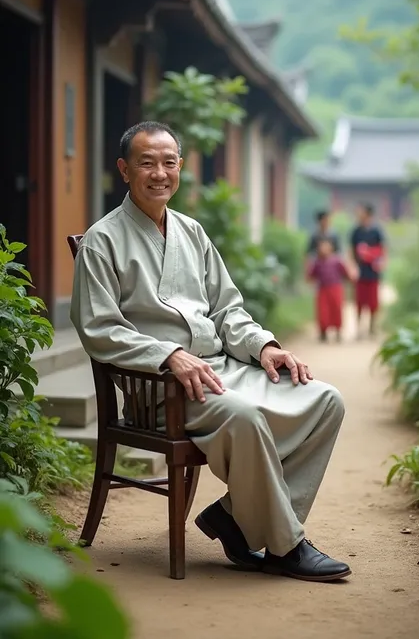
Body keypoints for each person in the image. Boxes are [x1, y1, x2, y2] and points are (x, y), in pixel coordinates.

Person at [70, 121, 351, 583]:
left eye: (168, 162)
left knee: (325, 401)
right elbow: (98, 329)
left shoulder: (192, 232)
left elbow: (228, 311)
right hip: (164, 387)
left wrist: (264, 346)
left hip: (222, 368)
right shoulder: (102, 240)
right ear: (124, 170)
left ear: (180, 167)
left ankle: (233, 519)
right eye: (146, 163)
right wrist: (167, 356)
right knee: (244, 417)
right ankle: (286, 546)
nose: (159, 173)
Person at [349, 204, 385, 337]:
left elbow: (383, 249)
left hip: (373, 272)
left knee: (373, 302)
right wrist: (352, 266)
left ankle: (372, 328)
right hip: (360, 271)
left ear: (368, 214)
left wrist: (382, 263)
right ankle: (359, 329)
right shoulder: (356, 231)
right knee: (359, 301)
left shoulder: (377, 231)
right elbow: (351, 250)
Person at [308, 239, 354, 343]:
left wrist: (351, 280)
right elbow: (311, 275)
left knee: (336, 309)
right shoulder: (317, 262)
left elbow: (346, 273)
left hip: (335, 288)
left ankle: (338, 332)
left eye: (326, 247)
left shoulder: (337, 260)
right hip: (323, 289)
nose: (323, 249)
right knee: (323, 311)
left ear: (331, 248)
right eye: (321, 247)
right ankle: (323, 332)